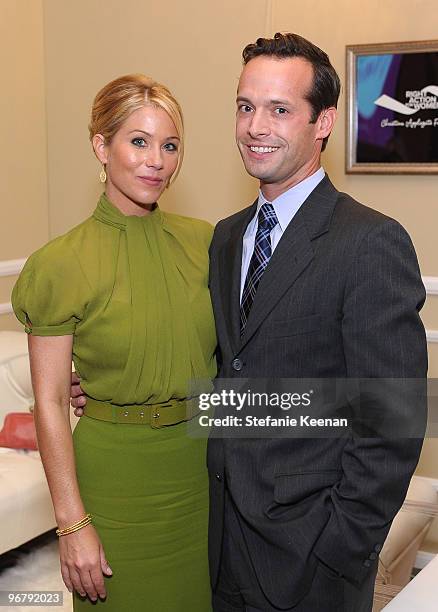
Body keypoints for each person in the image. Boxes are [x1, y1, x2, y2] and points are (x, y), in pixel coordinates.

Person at [206, 33, 427, 611]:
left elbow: (394, 420)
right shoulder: (227, 238)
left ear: (323, 121)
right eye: (245, 106)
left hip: (313, 562)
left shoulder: (370, 242)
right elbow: (231, 371)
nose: (256, 126)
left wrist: (338, 550)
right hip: (222, 542)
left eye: (280, 109)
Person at [12, 74, 216, 611]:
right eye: (139, 141)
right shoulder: (60, 264)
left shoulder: (207, 243)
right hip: (115, 483)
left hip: (201, 475)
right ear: (101, 146)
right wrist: (71, 523)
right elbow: (52, 402)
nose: (157, 161)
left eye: (169, 145)